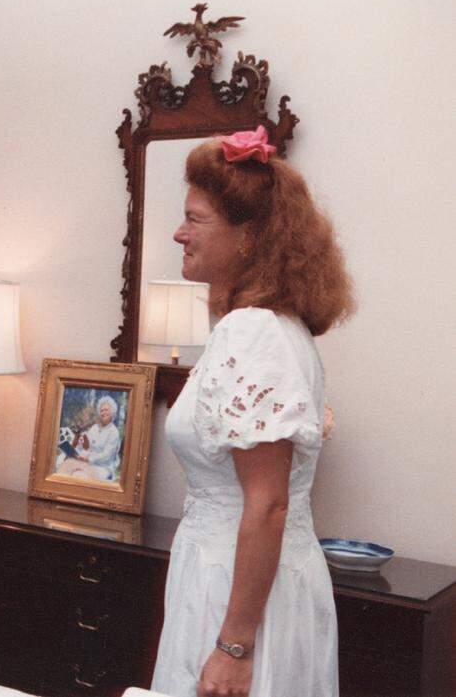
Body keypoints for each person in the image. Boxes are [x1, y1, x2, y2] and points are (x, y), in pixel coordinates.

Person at [151, 127, 354, 697]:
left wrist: (234, 646)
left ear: (248, 236)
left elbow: (267, 503)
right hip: (242, 583)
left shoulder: (254, 330)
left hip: (237, 599)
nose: (179, 232)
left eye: (196, 218)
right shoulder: (272, 327)